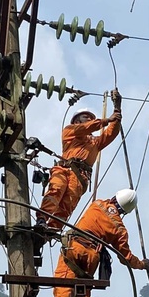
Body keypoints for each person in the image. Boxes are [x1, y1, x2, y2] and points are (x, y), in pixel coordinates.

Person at [52, 188, 149, 297]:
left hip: (74, 248)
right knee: (80, 293)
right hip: (91, 257)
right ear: (124, 212)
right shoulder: (120, 229)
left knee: (64, 287)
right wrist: (142, 264)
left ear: (115, 198)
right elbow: (126, 258)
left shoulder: (97, 204)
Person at [36, 91, 122, 230]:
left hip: (80, 177)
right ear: (77, 121)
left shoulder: (95, 142)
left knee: (67, 205)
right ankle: (42, 219)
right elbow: (85, 128)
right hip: (64, 169)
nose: (89, 120)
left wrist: (117, 109)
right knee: (56, 190)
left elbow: (111, 133)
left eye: (91, 118)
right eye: (86, 117)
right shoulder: (70, 131)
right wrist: (106, 120)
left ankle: (50, 231)